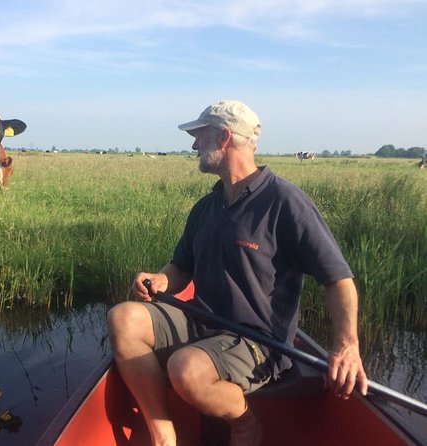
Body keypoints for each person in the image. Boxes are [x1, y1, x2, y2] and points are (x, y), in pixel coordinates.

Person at [106, 100, 368, 446]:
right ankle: (163, 434)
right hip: (201, 319)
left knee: (185, 369)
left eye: (200, 135)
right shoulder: (206, 207)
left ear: (225, 137)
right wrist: (160, 279)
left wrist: (347, 346)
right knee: (123, 318)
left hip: (258, 340)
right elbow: (181, 267)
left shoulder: (285, 202)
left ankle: (245, 424)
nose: (194, 145)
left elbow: (338, 279)